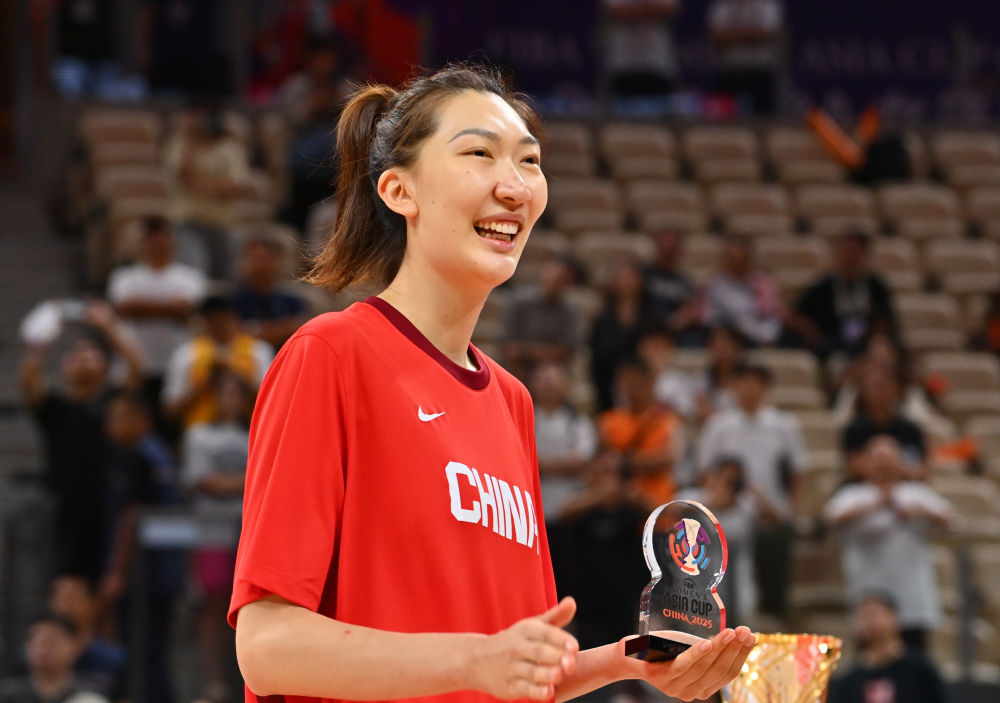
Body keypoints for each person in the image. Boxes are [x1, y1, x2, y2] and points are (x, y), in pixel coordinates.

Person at [228, 64, 754, 703]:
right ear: (399, 190)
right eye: (479, 154)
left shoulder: (513, 402)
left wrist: (633, 658)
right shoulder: (331, 355)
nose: (515, 186)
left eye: (530, 162)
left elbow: (518, 669)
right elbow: (267, 649)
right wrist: (474, 661)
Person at [18, 301, 144, 582]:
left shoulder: (113, 404)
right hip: (62, 505)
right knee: (64, 580)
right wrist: (44, 336)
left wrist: (109, 327)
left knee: (105, 581)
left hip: (106, 505)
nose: (83, 358)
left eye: (90, 353)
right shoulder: (56, 408)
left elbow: (136, 368)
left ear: (105, 366)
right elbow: (28, 381)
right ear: (64, 368)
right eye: (75, 354)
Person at [697, 363, 807, 622]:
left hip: (771, 511)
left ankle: (774, 610)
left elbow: (797, 473)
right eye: (743, 383)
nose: (748, 389)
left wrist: (791, 511)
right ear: (734, 387)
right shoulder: (719, 425)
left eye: (755, 383)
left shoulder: (784, 425)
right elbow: (705, 470)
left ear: (766, 388)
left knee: (775, 545)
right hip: (730, 509)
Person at [823, 436, 954, 653]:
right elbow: (830, 519)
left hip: (912, 600)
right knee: (871, 661)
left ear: (900, 463)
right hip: (869, 601)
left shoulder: (915, 493)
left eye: (888, 461)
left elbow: (950, 519)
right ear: (865, 464)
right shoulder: (853, 495)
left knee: (913, 660)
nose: (883, 467)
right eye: (878, 461)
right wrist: (875, 504)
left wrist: (918, 511)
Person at [181, 370, 252, 703]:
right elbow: (202, 481)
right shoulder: (199, 435)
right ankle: (215, 680)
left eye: (236, 393)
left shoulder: (256, 431)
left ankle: (246, 677)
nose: (230, 399)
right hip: (213, 532)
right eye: (224, 392)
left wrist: (230, 483)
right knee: (213, 607)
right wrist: (246, 481)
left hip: (249, 532)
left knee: (249, 607)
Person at [107, 215, 207, 430]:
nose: (158, 243)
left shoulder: (190, 278)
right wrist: (171, 309)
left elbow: (188, 310)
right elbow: (125, 308)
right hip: (135, 367)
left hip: (175, 365)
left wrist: (142, 308)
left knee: (171, 427)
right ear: (143, 242)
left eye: (163, 237)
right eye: (152, 238)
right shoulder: (124, 277)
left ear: (172, 241)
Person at [162, 295, 274, 429]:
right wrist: (205, 382)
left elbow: (274, 402)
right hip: (200, 430)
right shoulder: (187, 353)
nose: (218, 323)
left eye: (223, 317)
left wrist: (237, 374)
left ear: (235, 317)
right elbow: (170, 410)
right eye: (212, 318)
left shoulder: (258, 350)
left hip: (250, 428)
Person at [791, 230, 897, 361]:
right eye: (847, 252)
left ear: (864, 255)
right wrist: (812, 334)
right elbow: (799, 315)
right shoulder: (822, 287)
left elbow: (885, 320)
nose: (850, 258)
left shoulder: (876, 287)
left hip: (865, 344)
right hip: (832, 344)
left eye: (855, 253)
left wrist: (877, 337)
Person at [827, 593, 950, 703]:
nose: (868, 621)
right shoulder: (850, 681)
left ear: (894, 618)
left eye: (873, 614)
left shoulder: (920, 671)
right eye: (862, 616)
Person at [676, 457, 756, 627]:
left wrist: (727, 503)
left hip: (733, 589)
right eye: (726, 480)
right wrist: (711, 503)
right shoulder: (691, 497)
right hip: (692, 589)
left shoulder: (745, 507)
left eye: (734, 483)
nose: (728, 487)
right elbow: (669, 510)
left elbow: (732, 535)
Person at [598, 357, 685, 507]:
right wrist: (642, 462)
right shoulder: (608, 421)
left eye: (634, 380)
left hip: (656, 502)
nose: (629, 387)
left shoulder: (666, 420)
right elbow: (603, 462)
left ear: (649, 382)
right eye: (624, 381)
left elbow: (668, 458)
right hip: (616, 502)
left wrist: (624, 462)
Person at [530, 362, 598, 524]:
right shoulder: (524, 419)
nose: (547, 384)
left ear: (566, 384)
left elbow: (583, 460)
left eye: (552, 380)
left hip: (571, 507)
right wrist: (565, 465)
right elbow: (519, 460)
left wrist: (539, 465)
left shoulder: (578, 422)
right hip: (533, 505)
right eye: (542, 379)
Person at [589, 257, 659, 413]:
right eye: (621, 277)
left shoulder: (650, 317)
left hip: (643, 380)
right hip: (608, 382)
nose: (625, 282)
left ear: (640, 281)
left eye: (629, 277)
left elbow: (654, 352)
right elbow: (597, 356)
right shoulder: (603, 318)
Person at [502, 254, 581, 381]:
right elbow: (508, 347)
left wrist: (527, 351)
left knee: (550, 378)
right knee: (511, 372)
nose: (554, 282)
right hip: (516, 364)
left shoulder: (569, 312)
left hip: (550, 366)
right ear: (543, 275)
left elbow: (566, 351)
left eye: (560, 279)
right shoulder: (519, 302)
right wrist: (541, 351)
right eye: (551, 277)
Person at [48, 576, 127, 703]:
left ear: (90, 603)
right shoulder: (34, 655)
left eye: (74, 599)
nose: (68, 606)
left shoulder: (111, 658)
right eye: (62, 598)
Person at [696, 235, 786, 347]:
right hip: (725, 336)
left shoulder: (763, 284)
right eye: (730, 258)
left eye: (738, 258)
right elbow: (708, 317)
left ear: (747, 258)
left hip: (757, 337)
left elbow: (774, 318)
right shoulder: (714, 285)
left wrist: (763, 335)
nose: (734, 263)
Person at [0, 613, 108, 703]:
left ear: (75, 647)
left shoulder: (89, 697)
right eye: (36, 641)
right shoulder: (7, 695)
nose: (42, 648)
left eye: (51, 641)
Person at [232, 232, 310, 350]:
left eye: (265, 258)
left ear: (277, 261)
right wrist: (282, 329)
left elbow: (301, 329)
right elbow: (234, 334)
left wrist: (259, 331)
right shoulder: (234, 299)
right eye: (255, 258)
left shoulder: (291, 299)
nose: (259, 265)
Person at [708, 0, 784, 116]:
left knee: (763, 120)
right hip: (730, 73)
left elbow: (767, 34)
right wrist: (751, 34)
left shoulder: (768, 4)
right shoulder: (722, 4)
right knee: (725, 122)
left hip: (760, 73)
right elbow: (717, 36)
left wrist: (732, 34)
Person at [602, 0, 680, 103]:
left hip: (657, 63)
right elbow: (616, 11)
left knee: (660, 110)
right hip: (623, 63)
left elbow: (668, 8)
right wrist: (651, 10)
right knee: (622, 111)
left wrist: (632, 11)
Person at [642, 229, 697, 336]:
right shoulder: (642, 274)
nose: (668, 249)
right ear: (657, 246)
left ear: (679, 251)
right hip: (644, 330)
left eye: (672, 246)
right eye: (665, 244)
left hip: (674, 333)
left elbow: (687, 310)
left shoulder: (684, 282)